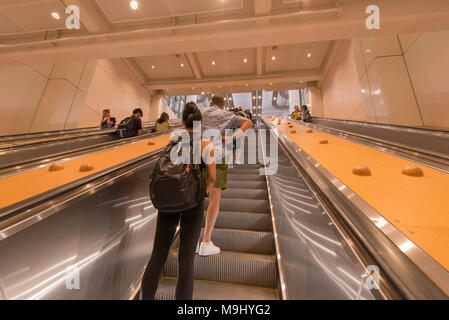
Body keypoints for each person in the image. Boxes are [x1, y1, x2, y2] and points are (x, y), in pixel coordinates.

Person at [141, 102, 216, 300]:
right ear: (201, 123)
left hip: (167, 200)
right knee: (185, 261)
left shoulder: (172, 141)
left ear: (182, 122)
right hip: (193, 204)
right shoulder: (205, 144)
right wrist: (200, 194)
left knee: (158, 256)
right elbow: (213, 178)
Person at [198, 95, 253, 256]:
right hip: (218, 156)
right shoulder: (227, 115)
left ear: (210, 103)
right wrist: (232, 137)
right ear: (223, 106)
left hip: (198, 155)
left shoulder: (201, 112)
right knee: (215, 196)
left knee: (196, 195)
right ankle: (206, 241)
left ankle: (192, 240)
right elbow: (248, 122)